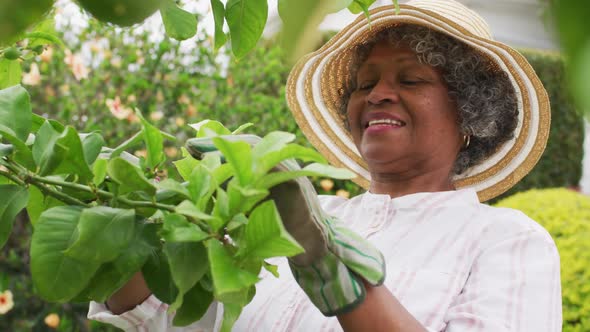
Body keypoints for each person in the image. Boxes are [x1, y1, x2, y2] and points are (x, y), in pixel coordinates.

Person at [88, 0, 562, 331]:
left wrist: (328, 262)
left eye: (411, 78)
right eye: (363, 84)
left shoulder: (506, 239)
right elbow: (170, 323)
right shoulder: (296, 215)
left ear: (469, 115)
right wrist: (126, 230)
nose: (377, 93)